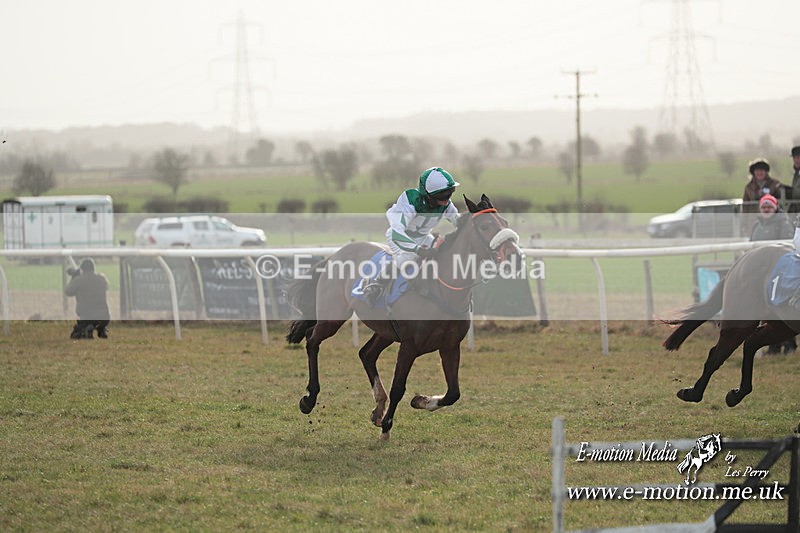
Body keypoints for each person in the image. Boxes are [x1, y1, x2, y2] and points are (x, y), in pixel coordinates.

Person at [362, 167, 460, 305]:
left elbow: (458, 221)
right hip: (399, 236)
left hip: (424, 237)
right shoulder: (411, 200)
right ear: (428, 195)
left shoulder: (446, 204)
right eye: (442, 196)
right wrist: (417, 249)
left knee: (441, 251)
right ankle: (377, 283)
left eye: (449, 194)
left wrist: (477, 216)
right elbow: (397, 232)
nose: (446, 199)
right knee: (410, 256)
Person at [749, 195, 796, 354]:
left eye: (769, 206)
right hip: (763, 274)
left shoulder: (784, 224)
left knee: (784, 308)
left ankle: (790, 344)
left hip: (780, 273)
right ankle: (773, 346)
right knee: (768, 310)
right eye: (764, 207)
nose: (767, 209)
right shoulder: (757, 226)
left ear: (775, 207)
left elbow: (789, 249)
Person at [65, 258, 110, 339]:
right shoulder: (102, 278)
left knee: (75, 336)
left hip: (86, 316)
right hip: (104, 316)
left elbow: (68, 291)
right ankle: (101, 329)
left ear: (82, 269)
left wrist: (73, 277)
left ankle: (88, 328)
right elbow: (106, 287)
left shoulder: (78, 280)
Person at [787, 146, 800, 213]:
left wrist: (789, 192)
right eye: (794, 158)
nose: (796, 160)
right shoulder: (796, 173)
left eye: (798, 157)